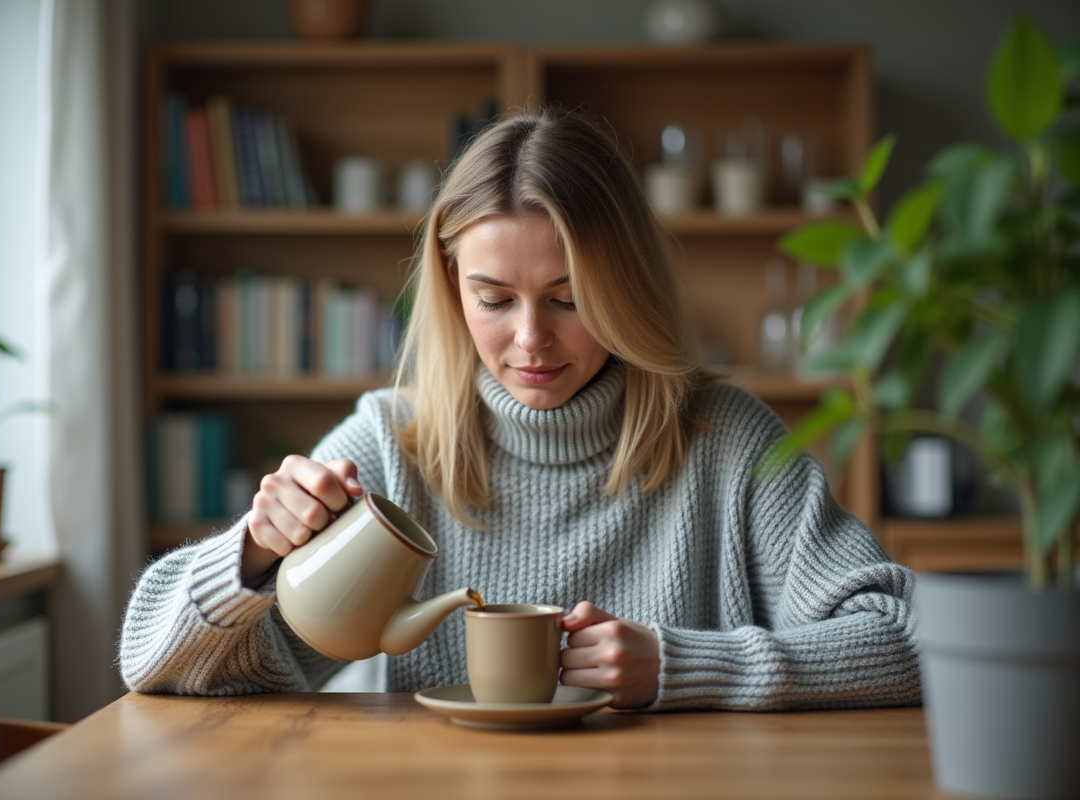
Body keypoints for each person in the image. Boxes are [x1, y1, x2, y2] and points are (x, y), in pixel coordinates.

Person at [120, 107, 920, 711]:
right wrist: (253, 556)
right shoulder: (396, 444)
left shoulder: (726, 440)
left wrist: (682, 667)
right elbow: (146, 663)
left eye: (570, 299)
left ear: (627, 286)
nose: (531, 340)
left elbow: (909, 640)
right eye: (494, 299)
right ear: (450, 284)